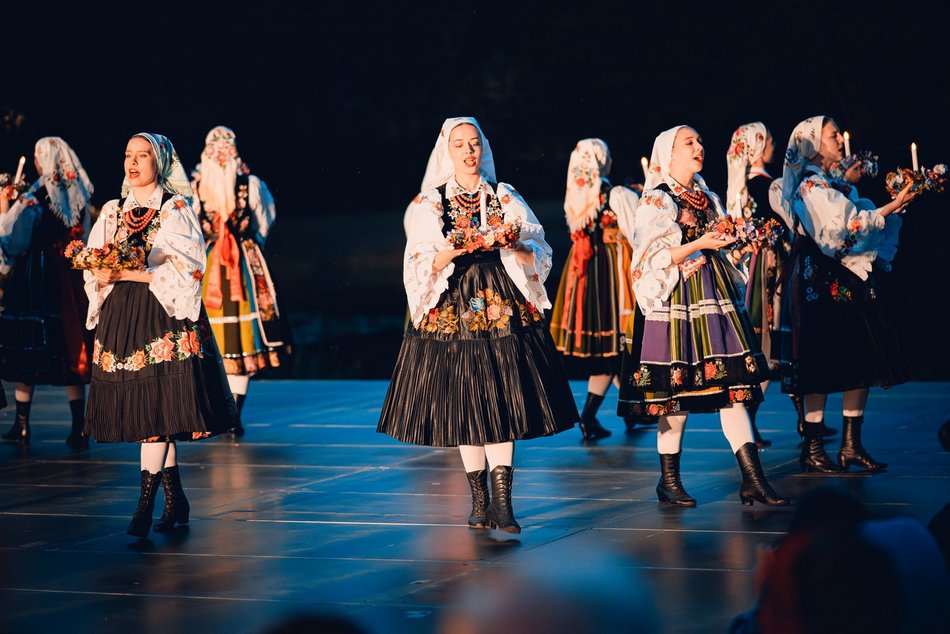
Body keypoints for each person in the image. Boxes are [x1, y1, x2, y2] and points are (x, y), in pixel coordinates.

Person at [377, 117, 578, 533]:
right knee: (467, 400)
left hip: (499, 300)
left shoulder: (503, 194)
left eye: (474, 144)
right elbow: (418, 260)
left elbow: (537, 247)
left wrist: (513, 243)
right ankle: (479, 500)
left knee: (502, 395)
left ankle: (504, 503)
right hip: (455, 304)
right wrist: (452, 249)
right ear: (447, 153)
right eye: (460, 145)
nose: (469, 152)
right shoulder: (432, 202)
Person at [617, 125, 788, 507]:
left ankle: (753, 480)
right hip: (675, 300)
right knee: (675, 397)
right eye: (689, 143)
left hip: (713, 295)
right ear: (670, 154)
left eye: (699, 140)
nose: (699, 146)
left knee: (733, 390)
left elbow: (719, 242)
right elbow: (648, 258)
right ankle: (669, 481)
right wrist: (699, 244)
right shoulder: (657, 200)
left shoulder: (707, 195)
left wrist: (739, 243)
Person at [83, 133, 238, 538]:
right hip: (122, 316)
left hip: (162, 314)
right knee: (155, 414)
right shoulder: (112, 211)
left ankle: (144, 506)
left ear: (160, 163)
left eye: (143, 156)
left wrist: (125, 273)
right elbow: (94, 261)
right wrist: (100, 274)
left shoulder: (175, 209)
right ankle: (176, 501)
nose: (133, 164)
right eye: (128, 155)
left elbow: (187, 269)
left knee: (156, 416)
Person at [776, 117, 916, 473]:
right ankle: (813, 446)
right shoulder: (809, 184)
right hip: (819, 278)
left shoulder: (830, 182)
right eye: (832, 135)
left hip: (848, 272)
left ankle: (852, 444)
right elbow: (843, 228)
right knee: (820, 358)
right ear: (812, 143)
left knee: (859, 353)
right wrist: (887, 208)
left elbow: (857, 217)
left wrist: (890, 208)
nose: (840, 139)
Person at [192, 126, 288, 437]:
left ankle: (233, 413)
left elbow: (264, 218)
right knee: (214, 335)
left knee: (242, 338)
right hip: (213, 262)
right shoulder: (195, 188)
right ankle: (224, 411)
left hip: (240, 264)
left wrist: (249, 242)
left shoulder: (250, 184)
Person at [0, 137, 94, 447]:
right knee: (69, 347)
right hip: (69, 276)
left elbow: (13, 238)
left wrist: (4, 206)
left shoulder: (35, 195)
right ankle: (79, 426)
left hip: (36, 276)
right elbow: (86, 235)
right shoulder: (78, 191)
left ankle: (21, 425)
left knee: (30, 344)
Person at [550, 139, 640, 441]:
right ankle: (594, 415)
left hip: (588, 274)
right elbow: (635, 231)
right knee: (616, 347)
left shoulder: (576, 195)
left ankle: (627, 411)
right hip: (612, 272)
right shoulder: (613, 193)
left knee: (610, 349)